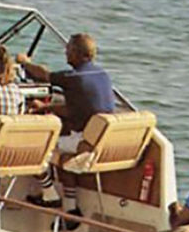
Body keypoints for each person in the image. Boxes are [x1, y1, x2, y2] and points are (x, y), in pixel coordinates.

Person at [19, 33, 116, 217]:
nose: (65, 53)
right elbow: (79, 107)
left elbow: (43, 75)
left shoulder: (73, 77)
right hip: (101, 141)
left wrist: (24, 62)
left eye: (69, 50)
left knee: (34, 146)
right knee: (63, 148)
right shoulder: (102, 75)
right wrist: (46, 107)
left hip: (83, 142)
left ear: (80, 54)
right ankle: (71, 210)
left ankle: (49, 194)